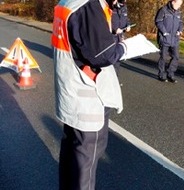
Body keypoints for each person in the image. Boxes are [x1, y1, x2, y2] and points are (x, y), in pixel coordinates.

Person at [51, 0, 128, 189]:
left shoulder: (69, 1)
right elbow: (104, 54)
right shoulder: (88, 5)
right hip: (87, 98)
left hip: (71, 91)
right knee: (86, 157)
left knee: (72, 150)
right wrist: (125, 47)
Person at [155, 0, 183, 83]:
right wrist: (164, 32)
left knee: (176, 57)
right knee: (163, 57)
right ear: (173, 2)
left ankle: (170, 74)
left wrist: (180, 30)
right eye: (178, 4)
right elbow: (158, 21)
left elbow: (181, 22)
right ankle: (161, 74)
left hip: (175, 38)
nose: (179, 6)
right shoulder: (163, 10)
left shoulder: (179, 12)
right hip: (164, 38)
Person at [111, 0, 131, 79]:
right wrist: (114, 29)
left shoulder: (124, 7)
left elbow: (126, 18)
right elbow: (106, 20)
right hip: (111, 36)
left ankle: (115, 78)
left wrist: (128, 25)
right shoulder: (110, 7)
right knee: (110, 57)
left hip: (121, 35)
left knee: (118, 57)